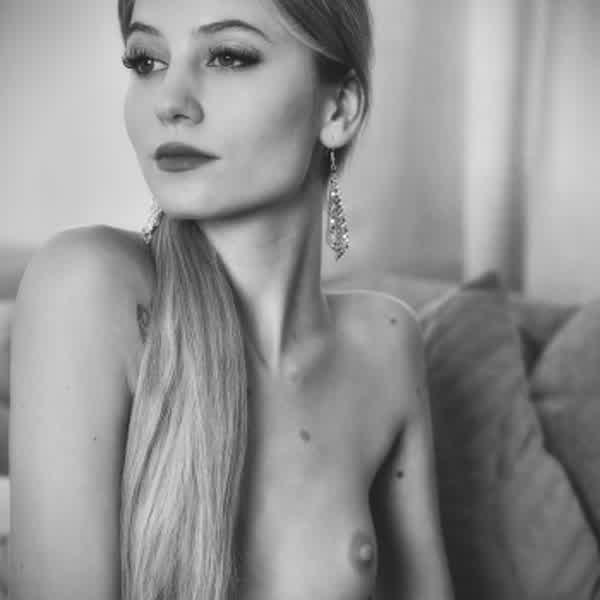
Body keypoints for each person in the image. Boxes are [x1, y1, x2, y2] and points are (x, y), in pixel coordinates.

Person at [9, 0, 454, 598]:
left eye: (228, 56)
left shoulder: (386, 341)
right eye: (146, 61)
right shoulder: (86, 286)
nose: (170, 101)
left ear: (339, 109)